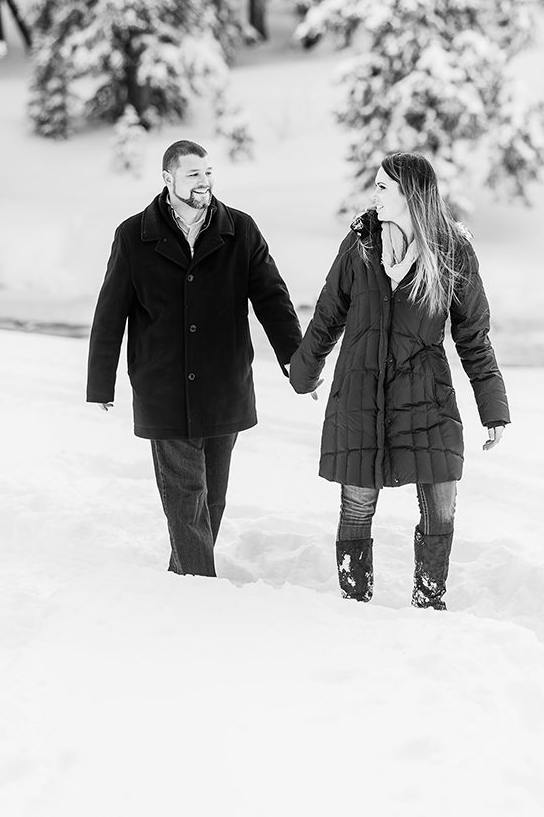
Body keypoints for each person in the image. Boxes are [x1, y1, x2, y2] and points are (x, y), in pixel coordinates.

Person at [287, 152, 509, 609]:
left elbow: (473, 336)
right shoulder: (361, 244)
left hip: (425, 394)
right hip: (361, 391)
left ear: (410, 194)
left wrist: (493, 407)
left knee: (441, 501)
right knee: (357, 505)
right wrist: (304, 372)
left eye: (383, 187)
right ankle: (354, 603)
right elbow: (328, 314)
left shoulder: (452, 250)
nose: (374, 195)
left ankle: (429, 602)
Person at [87, 139, 303, 577]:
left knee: (212, 496)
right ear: (168, 179)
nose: (203, 183)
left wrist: (297, 365)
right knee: (186, 496)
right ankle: (200, 588)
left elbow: (272, 298)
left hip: (224, 383)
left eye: (207, 173)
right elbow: (110, 312)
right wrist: (100, 384)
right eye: (192, 175)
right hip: (163, 384)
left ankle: (182, 575)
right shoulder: (133, 235)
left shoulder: (240, 229)